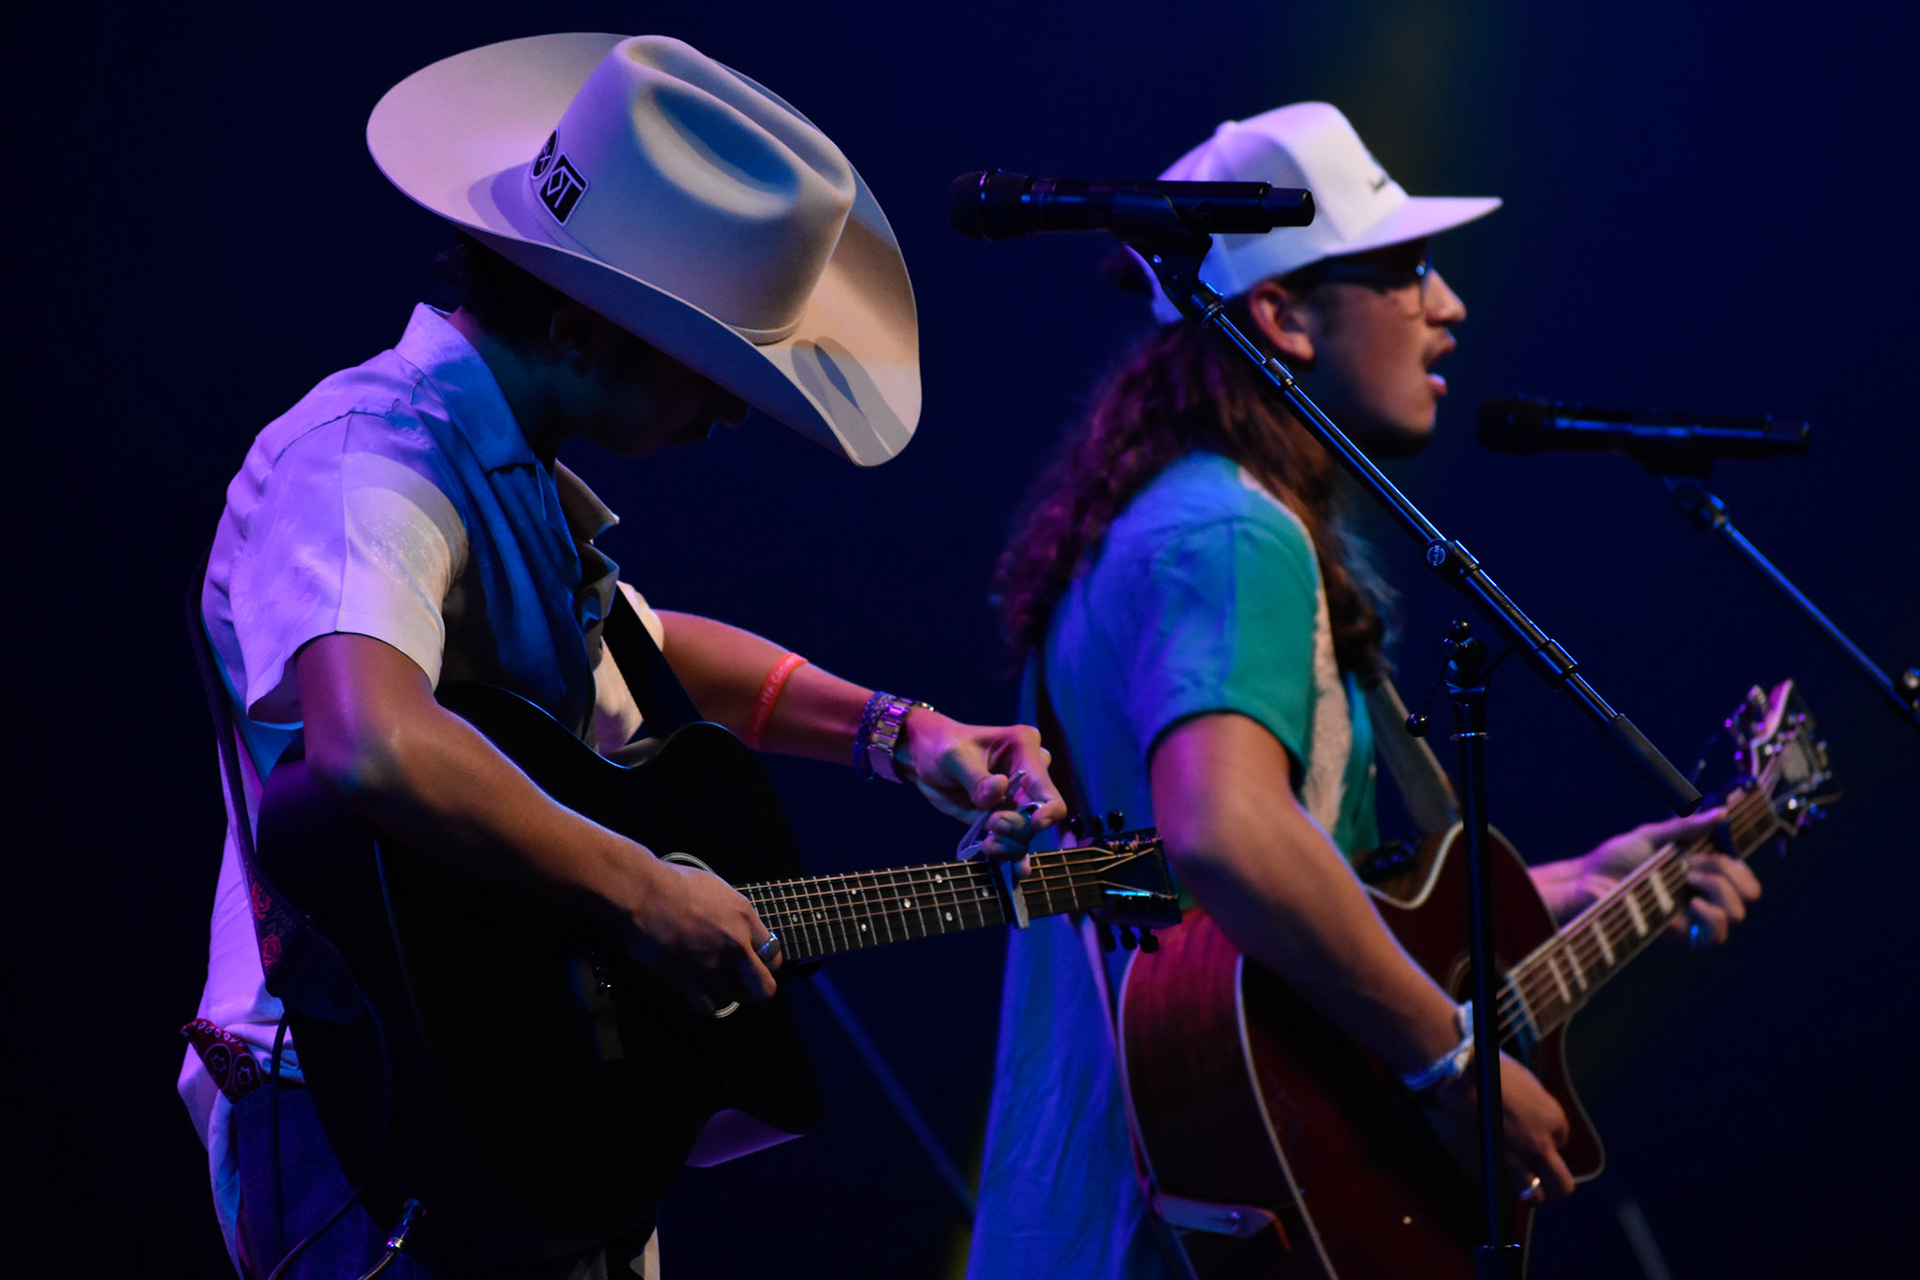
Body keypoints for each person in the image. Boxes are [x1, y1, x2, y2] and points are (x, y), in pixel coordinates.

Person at [178, 34, 1065, 1280]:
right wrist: (646, 891)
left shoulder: (505, 470)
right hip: (360, 1100)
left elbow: (646, 648)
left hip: (513, 1091)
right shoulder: (368, 455)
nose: (732, 409)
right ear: (579, 330)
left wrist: (903, 733)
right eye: (711, 370)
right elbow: (371, 736)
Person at [967, 102, 1763, 1279]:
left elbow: (1250, 904)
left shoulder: (1172, 516)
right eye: (1403, 270)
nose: (1450, 305)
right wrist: (1455, 1063)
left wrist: (1570, 889)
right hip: (1188, 1223)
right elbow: (1229, 835)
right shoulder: (1232, 529)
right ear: (1283, 315)